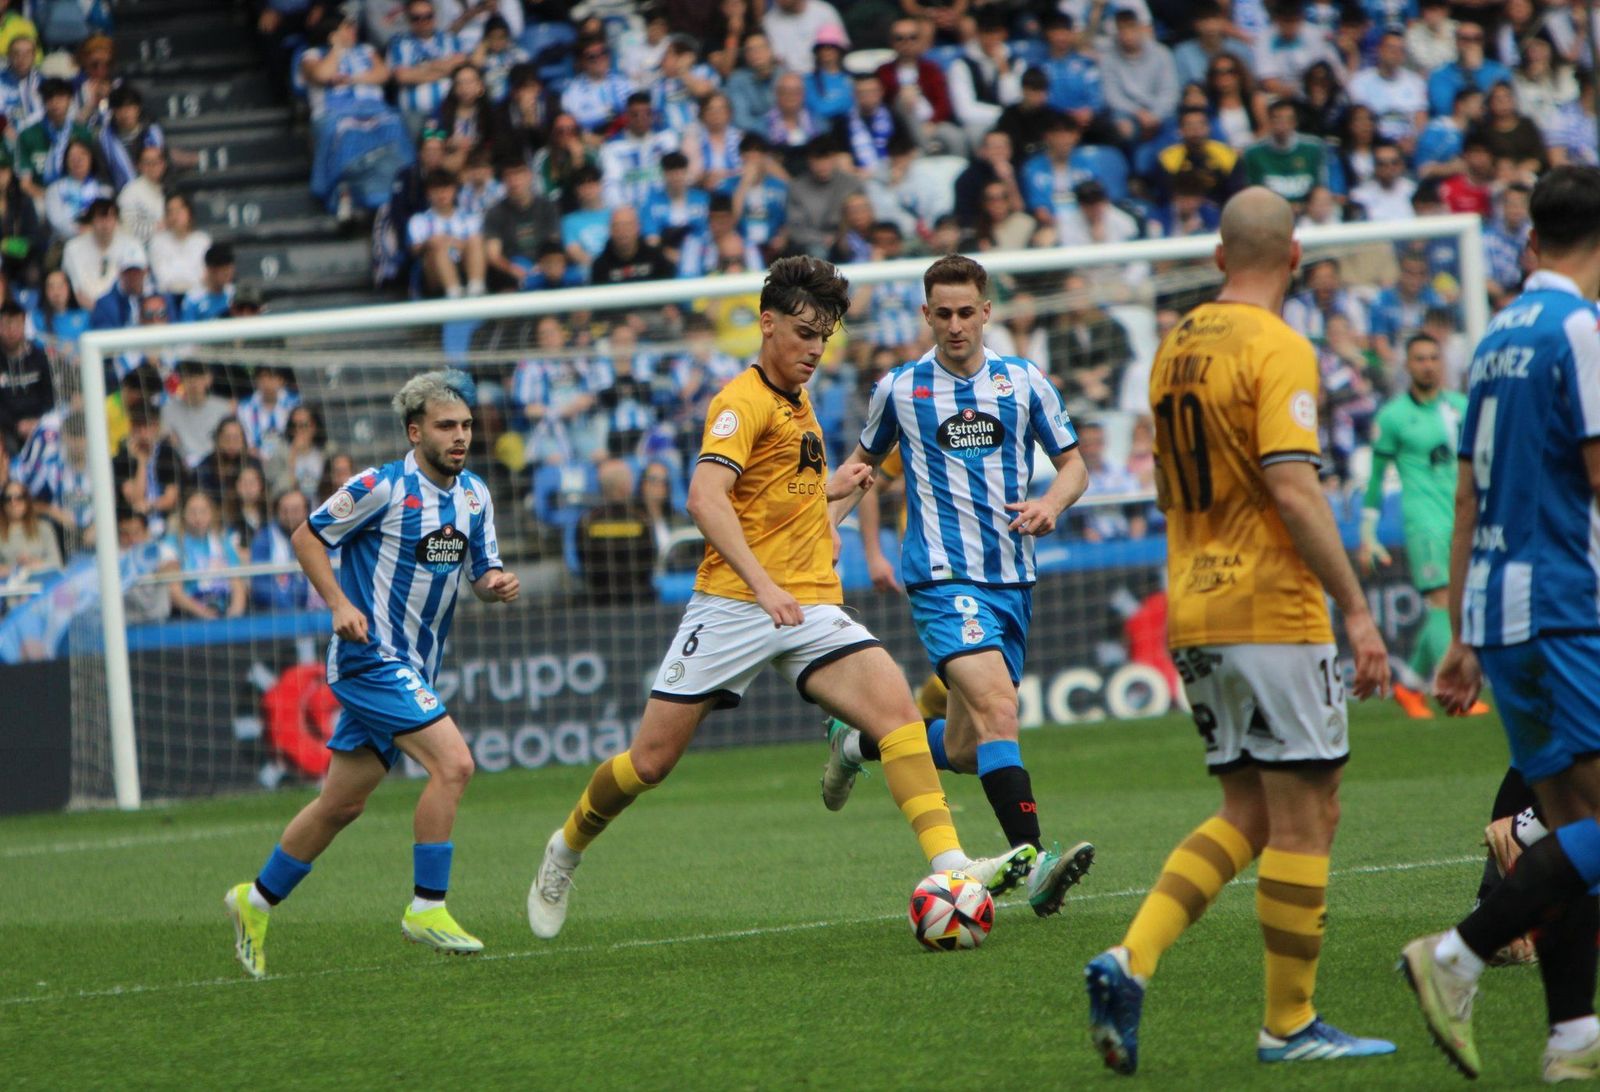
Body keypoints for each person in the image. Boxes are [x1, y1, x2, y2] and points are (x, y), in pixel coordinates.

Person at [526, 257, 1036, 942]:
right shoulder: (741, 401)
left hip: (810, 604)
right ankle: (566, 849)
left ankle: (951, 865)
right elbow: (706, 498)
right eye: (802, 334)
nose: (814, 350)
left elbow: (775, 493)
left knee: (898, 715)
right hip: (735, 604)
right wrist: (764, 586)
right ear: (765, 325)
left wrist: (832, 489)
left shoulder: (801, 403)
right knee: (649, 763)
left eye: (823, 337)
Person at [1085, 187, 1394, 1073]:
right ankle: (1289, 1024)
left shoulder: (1174, 346)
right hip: (1271, 608)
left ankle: (1129, 957)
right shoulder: (1280, 346)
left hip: (1194, 602)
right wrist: (1360, 610)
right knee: (1310, 811)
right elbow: (1293, 485)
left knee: (1248, 809)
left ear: (1221, 259)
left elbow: (1162, 485)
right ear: (1293, 258)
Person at [1399, 165, 1600, 1084]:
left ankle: (1570, 1036)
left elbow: (1470, 493)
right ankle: (1458, 954)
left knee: (1569, 828)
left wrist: (1461, 633)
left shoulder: (1493, 342)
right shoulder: (1579, 332)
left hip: (1500, 609)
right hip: (1566, 604)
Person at [820, 252, 1096, 918]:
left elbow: (1075, 466)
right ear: (925, 315)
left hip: (1013, 580)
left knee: (974, 747)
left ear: (987, 311)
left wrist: (1052, 505)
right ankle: (1032, 860)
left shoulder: (1024, 381)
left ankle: (856, 743)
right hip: (943, 580)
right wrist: (825, 527)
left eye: (966, 312)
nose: (954, 326)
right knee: (1001, 708)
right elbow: (860, 468)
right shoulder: (902, 389)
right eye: (941, 314)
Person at [223, 370, 520, 978]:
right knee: (454, 764)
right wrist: (337, 603)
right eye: (446, 426)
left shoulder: (475, 496)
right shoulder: (380, 487)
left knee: (341, 804)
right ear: (415, 432)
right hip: (369, 659)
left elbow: (481, 575)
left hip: (416, 665)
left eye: (464, 425)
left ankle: (253, 901)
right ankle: (427, 907)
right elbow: (307, 536)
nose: (459, 436)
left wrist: (494, 585)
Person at [1358, 333, 1487, 720]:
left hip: (1464, 519)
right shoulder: (1394, 417)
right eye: (1419, 359)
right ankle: (1455, 690)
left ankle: (1408, 685)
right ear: (1407, 365)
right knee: (1441, 603)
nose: (1427, 364)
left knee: (1457, 604)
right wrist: (1367, 534)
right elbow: (1376, 479)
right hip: (1423, 522)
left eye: (1433, 357)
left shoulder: (1462, 407)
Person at [574, 457, 656, 605]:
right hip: (638, 601)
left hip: (598, 601)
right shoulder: (641, 520)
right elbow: (649, 560)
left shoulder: (586, 522)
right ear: (625, 486)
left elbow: (583, 561)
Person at [166, 489, 247, 620]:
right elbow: (174, 591)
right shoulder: (171, 544)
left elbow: (237, 583)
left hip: (224, 608)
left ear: (211, 514)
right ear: (183, 514)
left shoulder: (223, 542)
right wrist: (202, 613)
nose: (198, 517)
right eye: (192, 512)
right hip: (188, 614)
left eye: (203, 511)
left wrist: (235, 614)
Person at [0, 298, 52, 452]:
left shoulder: (38, 357)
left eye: (15, 324)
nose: (10, 330)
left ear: (23, 324)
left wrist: (37, 422)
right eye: (5, 325)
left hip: (39, 423)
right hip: (7, 428)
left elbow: (49, 395)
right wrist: (16, 425)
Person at [249, 488, 314, 611]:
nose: (290, 516)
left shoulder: (319, 536)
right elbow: (259, 584)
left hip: (316, 612)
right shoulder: (264, 539)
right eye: (285, 511)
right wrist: (288, 607)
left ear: (306, 511)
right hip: (275, 614)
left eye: (295, 510)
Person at [0, 480, 60, 576]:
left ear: (27, 501)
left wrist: (35, 564)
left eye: (19, 497)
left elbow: (57, 564)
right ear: (3, 504)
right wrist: (13, 569)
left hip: (42, 585)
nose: (13, 503)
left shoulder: (44, 528)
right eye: (8, 498)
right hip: (10, 587)